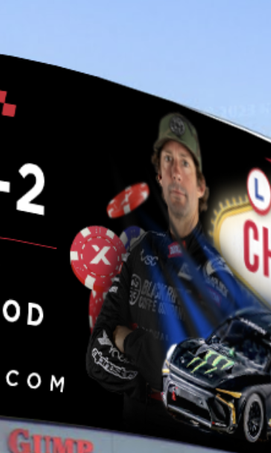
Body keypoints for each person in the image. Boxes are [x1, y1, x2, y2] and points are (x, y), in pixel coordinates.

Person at [85, 113, 255, 426]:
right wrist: (147, 386)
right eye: (167, 160)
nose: (176, 171)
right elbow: (96, 352)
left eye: (185, 162)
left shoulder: (221, 274)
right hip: (132, 438)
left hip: (194, 451)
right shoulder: (139, 252)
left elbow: (217, 377)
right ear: (160, 178)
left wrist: (130, 343)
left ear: (201, 186)